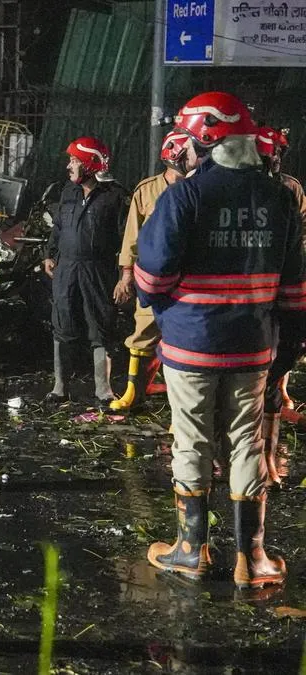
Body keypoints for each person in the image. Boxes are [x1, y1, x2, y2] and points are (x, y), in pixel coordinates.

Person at [137, 91, 304, 588]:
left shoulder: (185, 195)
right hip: (253, 346)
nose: (182, 148)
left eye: (188, 139)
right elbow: (294, 287)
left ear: (207, 137)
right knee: (247, 442)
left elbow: (150, 279)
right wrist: (287, 352)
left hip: (191, 345)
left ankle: (191, 551)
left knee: (191, 440)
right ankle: (251, 559)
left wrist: (171, 308)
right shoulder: (280, 197)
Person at [42, 137, 130, 405]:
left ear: (91, 164)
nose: (69, 166)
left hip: (98, 271)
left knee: (100, 325)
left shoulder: (115, 197)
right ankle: (59, 387)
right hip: (66, 268)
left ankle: (102, 390)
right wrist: (49, 254)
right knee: (63, 323)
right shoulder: (68, 191)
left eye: (74, 161)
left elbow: (127, 239)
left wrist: (125, 276)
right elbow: (58, 228)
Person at [109, 131, 193, 412]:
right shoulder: (146, 190)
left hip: (188, 279)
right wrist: (126, 274)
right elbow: (132, 236)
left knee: (185, 339)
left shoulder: (201, 188)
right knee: (143, 329)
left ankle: (180, 403)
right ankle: (134, 391)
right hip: (153, 277)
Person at [257, 126, 306, 454]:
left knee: (281, 354)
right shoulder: (250, 189)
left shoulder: (291, 188)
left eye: (277, 153)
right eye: (267, 153)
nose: (272, 158)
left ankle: (269, 456)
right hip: (253, 290)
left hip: (283, 284)